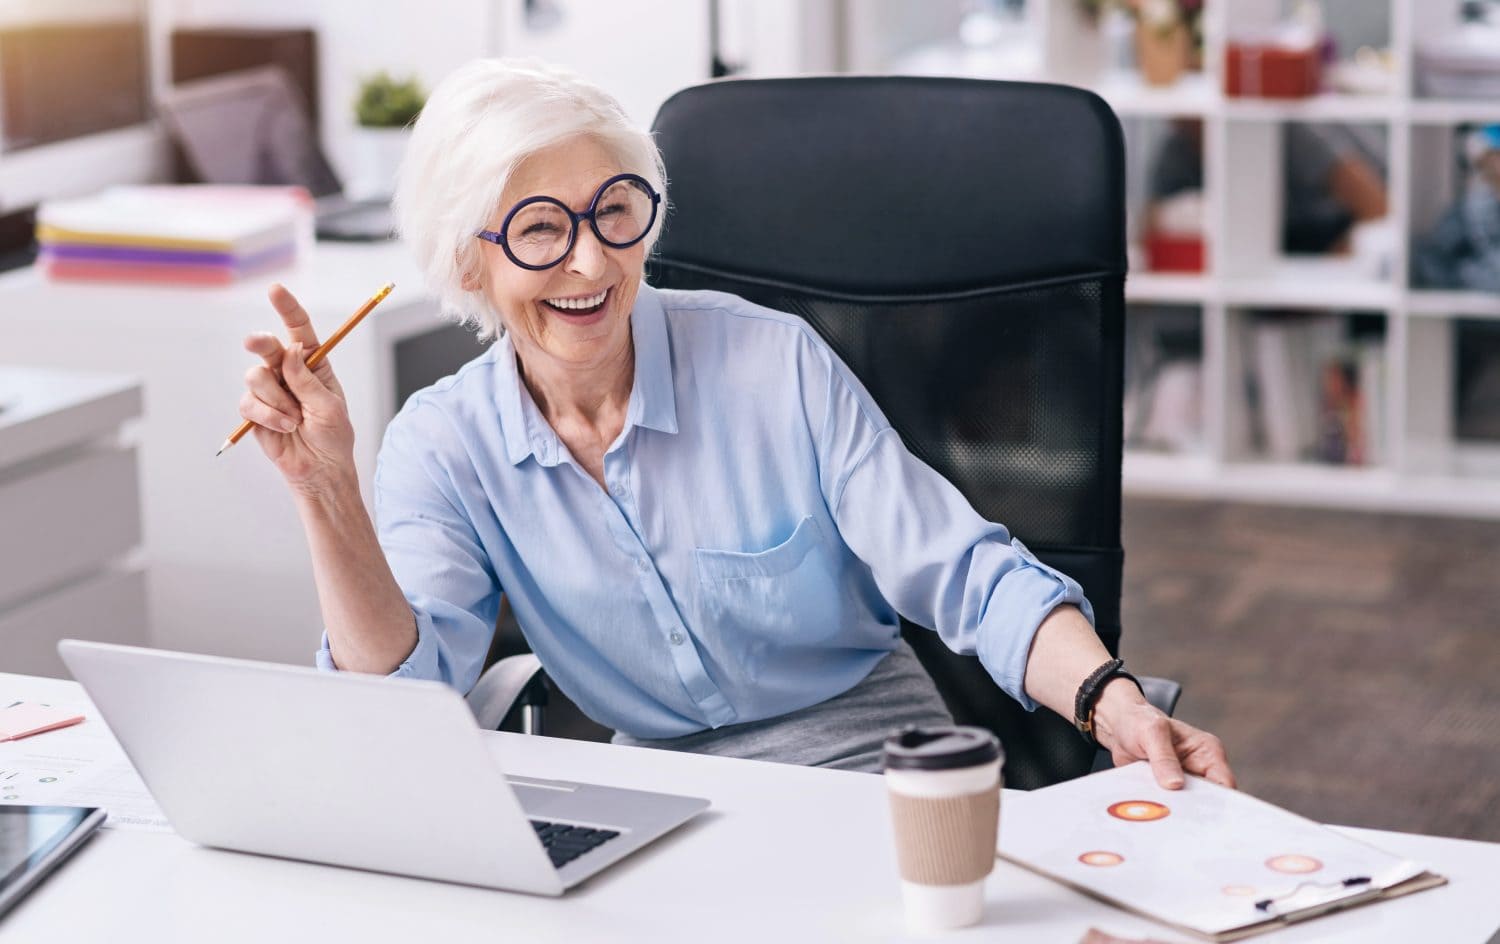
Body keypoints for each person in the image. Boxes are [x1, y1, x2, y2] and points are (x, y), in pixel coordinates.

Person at [238, 59, 1234, 789]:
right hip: (659, 790)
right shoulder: (443, 444)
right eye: (541, 228)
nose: (590, 263)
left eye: (612, 211)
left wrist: (1114, 696)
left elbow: (958, 565)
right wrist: (326, 492)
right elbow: (406, 697)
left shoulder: (771, 362)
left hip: (870, 757)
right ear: (470, 264)